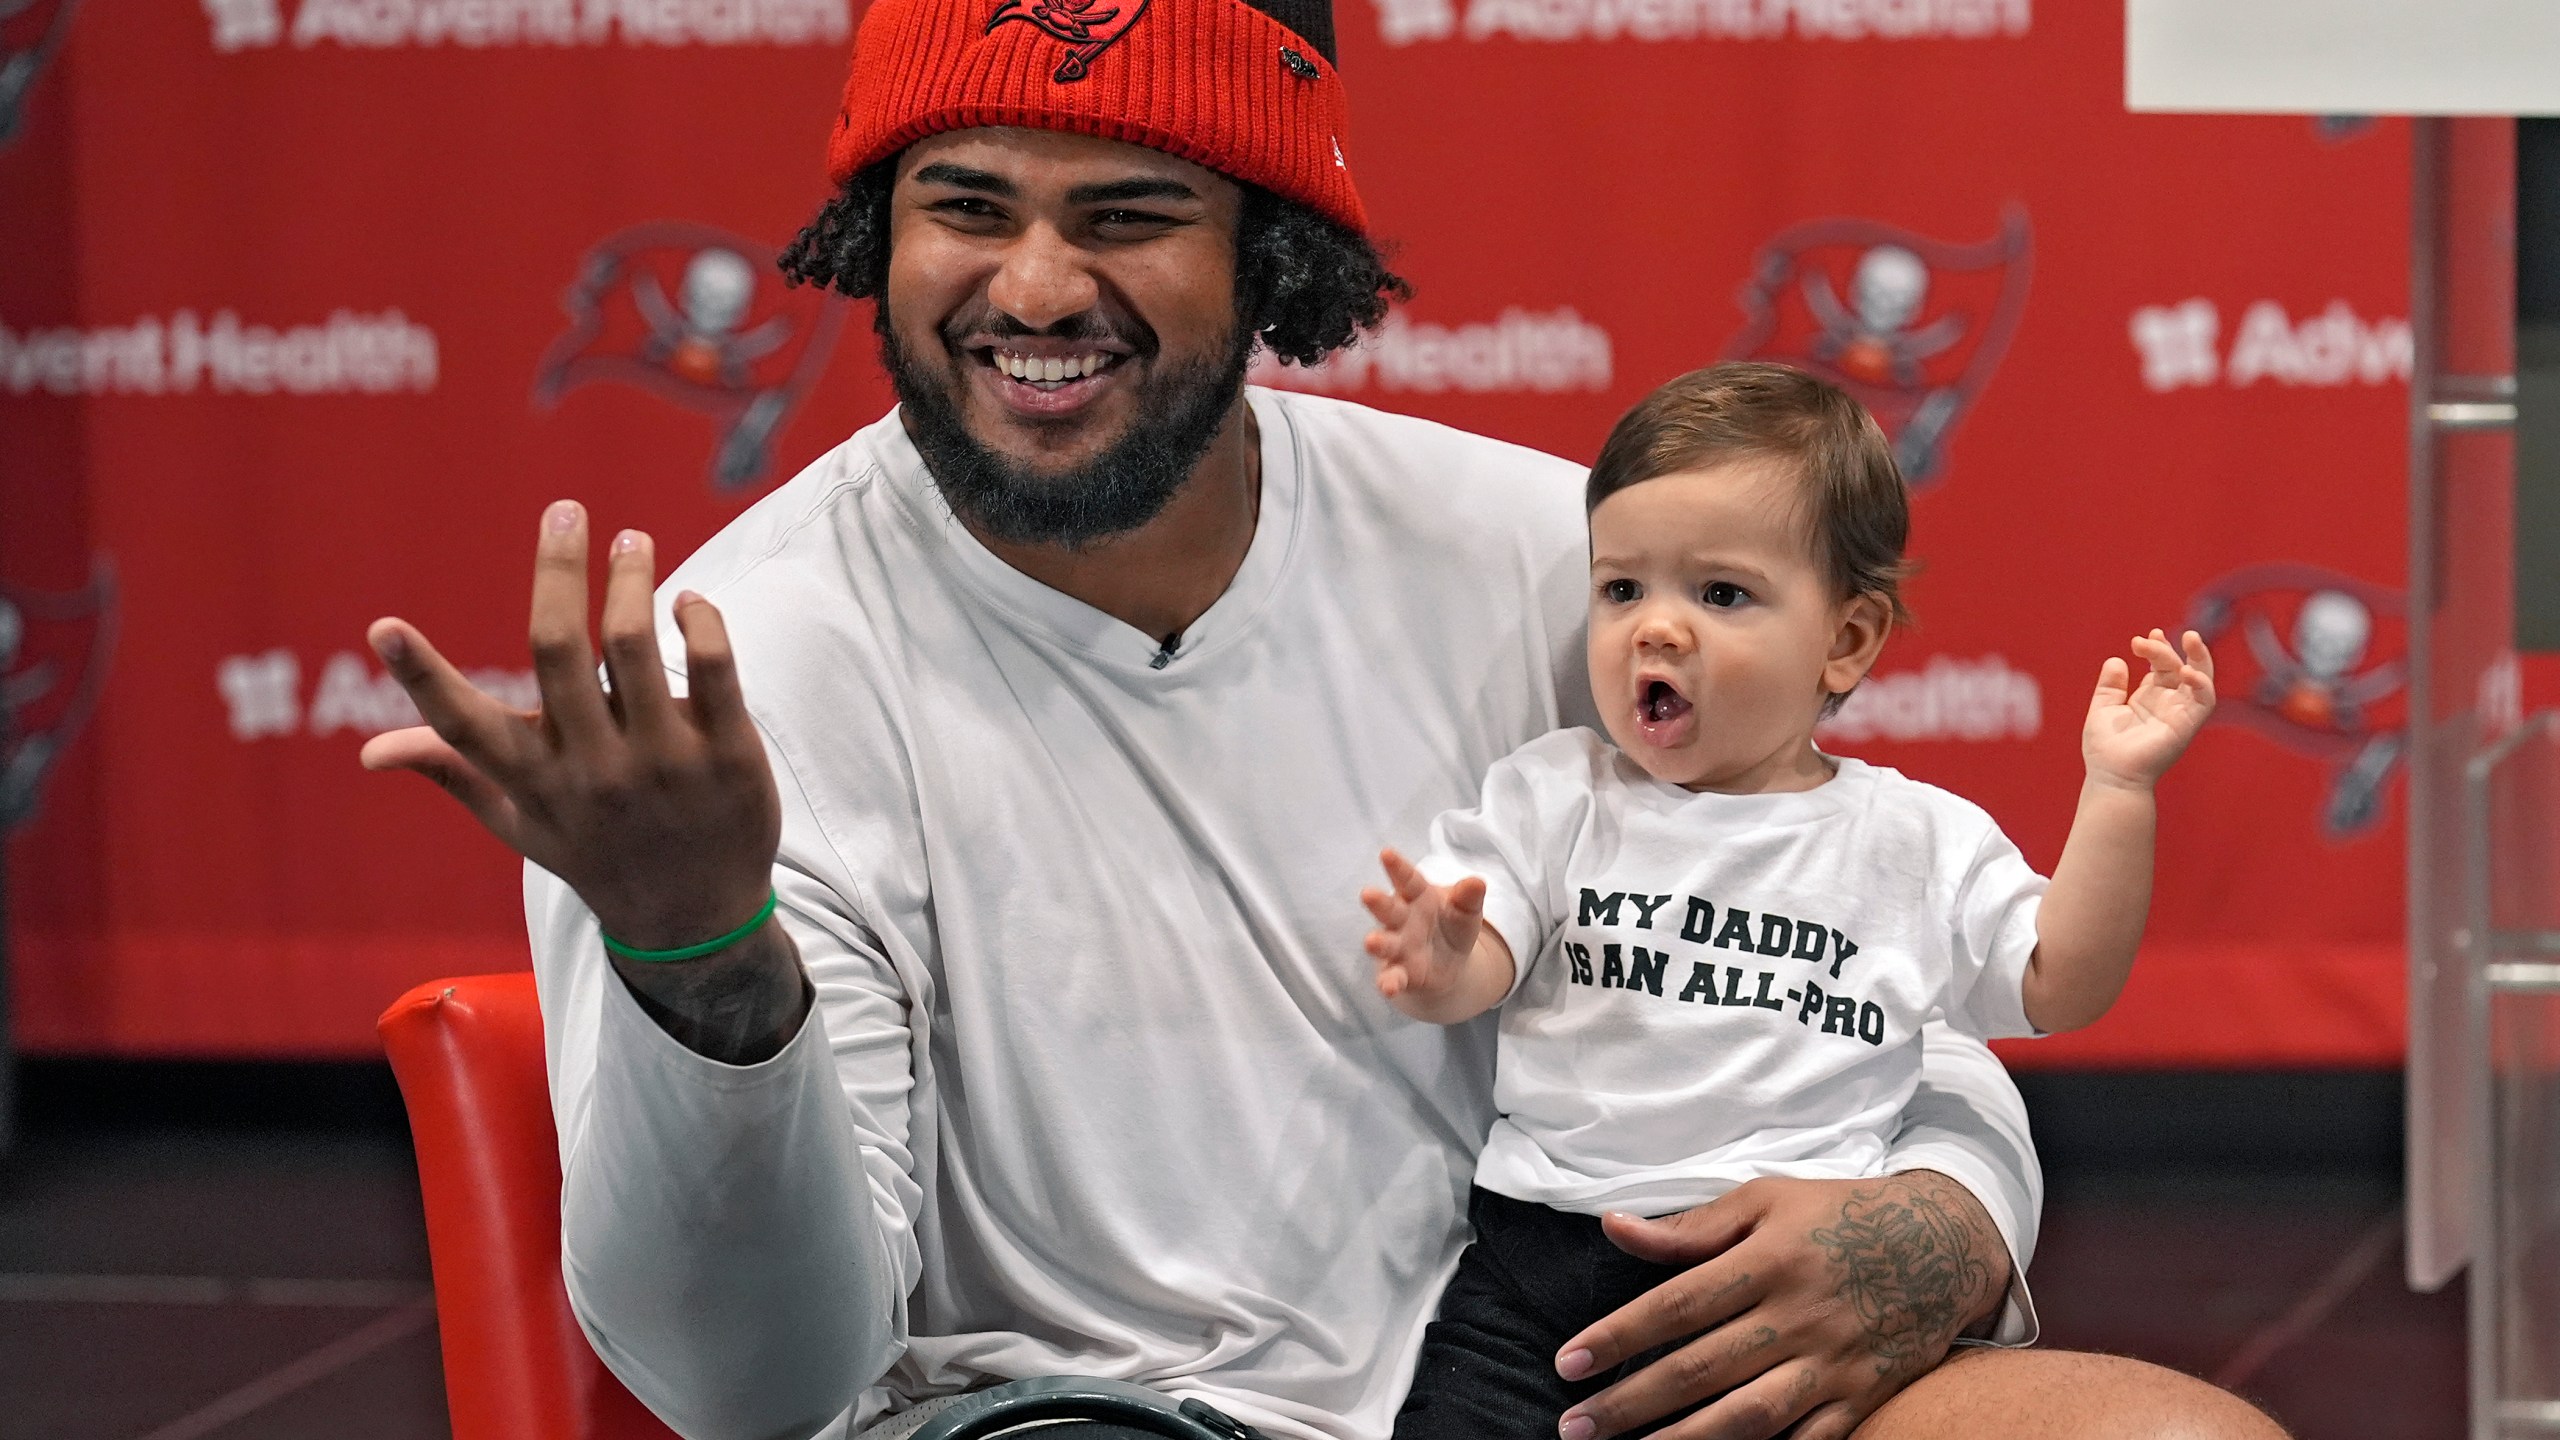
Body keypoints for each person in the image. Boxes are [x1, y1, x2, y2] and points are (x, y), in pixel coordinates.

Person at [357, 0, 2286, 1437]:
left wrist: (1951, 1210)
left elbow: (1853, 948)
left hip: (1573, 1363)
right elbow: (752, 1388)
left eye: (1127, 212)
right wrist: (700, 951)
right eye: (965, 206)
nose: (1034, 286)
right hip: (1070, 1415)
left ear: (1270, 259)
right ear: (882, 236)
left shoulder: (1557, 564)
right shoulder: (728, 680)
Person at [1363, 364, 2219, 1439]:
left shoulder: (1911, 839)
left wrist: (2119, 791)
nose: (1655, 630)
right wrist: (1444, 962)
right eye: (1622, 588)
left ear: (1847, 642)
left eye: (1720, 595)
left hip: (1789, 1288)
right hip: (1536, 1277)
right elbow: (1484, 953)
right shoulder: (1555, 791)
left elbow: (2061, 983)